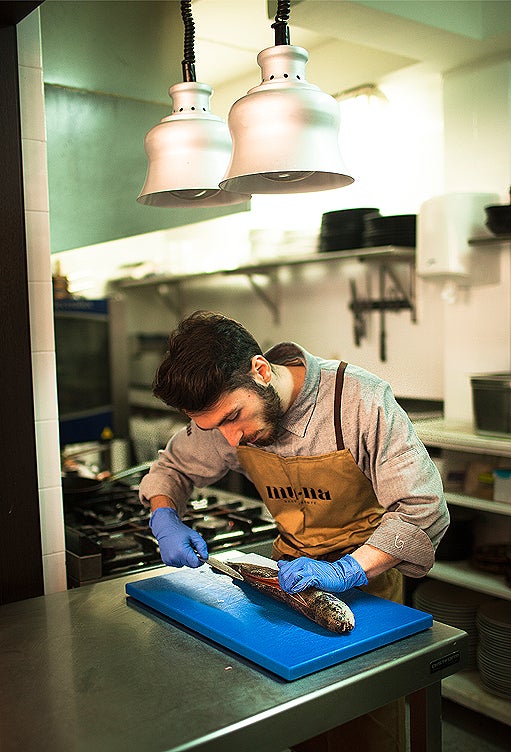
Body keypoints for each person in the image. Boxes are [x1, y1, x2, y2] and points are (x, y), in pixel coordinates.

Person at [139, 310, 449, 752]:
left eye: (234, 417)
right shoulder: (225, 416)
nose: (230, 440)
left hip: (368, 583)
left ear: (260, 370)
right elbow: (172, 467)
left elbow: (423, 508)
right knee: (300, 722)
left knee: (366, 728)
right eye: (215, 428)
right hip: (284, 583)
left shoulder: (358, 400)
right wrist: (163, 515)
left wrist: (345, 571)